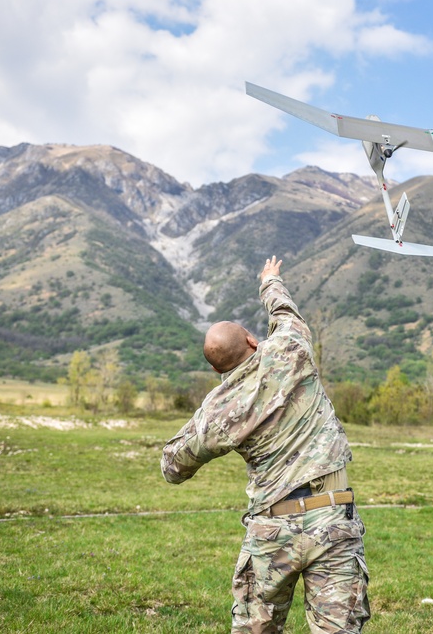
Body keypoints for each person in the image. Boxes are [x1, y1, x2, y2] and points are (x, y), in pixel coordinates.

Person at [161, 256, 370, 634]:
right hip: (333, 517)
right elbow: (284, 310)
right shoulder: (290, 347)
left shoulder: (219, 409)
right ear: (252, 340)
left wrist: (210, 412)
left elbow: (173, 466)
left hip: (272, 529)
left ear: (216, 369)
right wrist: (269, 280)